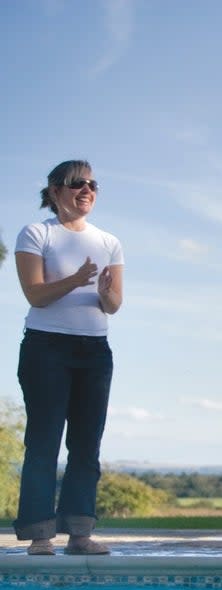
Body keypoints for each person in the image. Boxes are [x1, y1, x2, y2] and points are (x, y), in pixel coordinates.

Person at [12, 160, 124, 556]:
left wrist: (107, 291)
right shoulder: (36, 233)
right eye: (78, 183)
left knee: (86, 444)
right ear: (56, 190)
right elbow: (35, 295)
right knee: (43, 442)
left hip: (94, 350)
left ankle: (80, 533)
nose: (87, 190)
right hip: (46, 348)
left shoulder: (109, 241)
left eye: (93, 184)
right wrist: (76, 280)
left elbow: (112, 305)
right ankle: (41, 536)